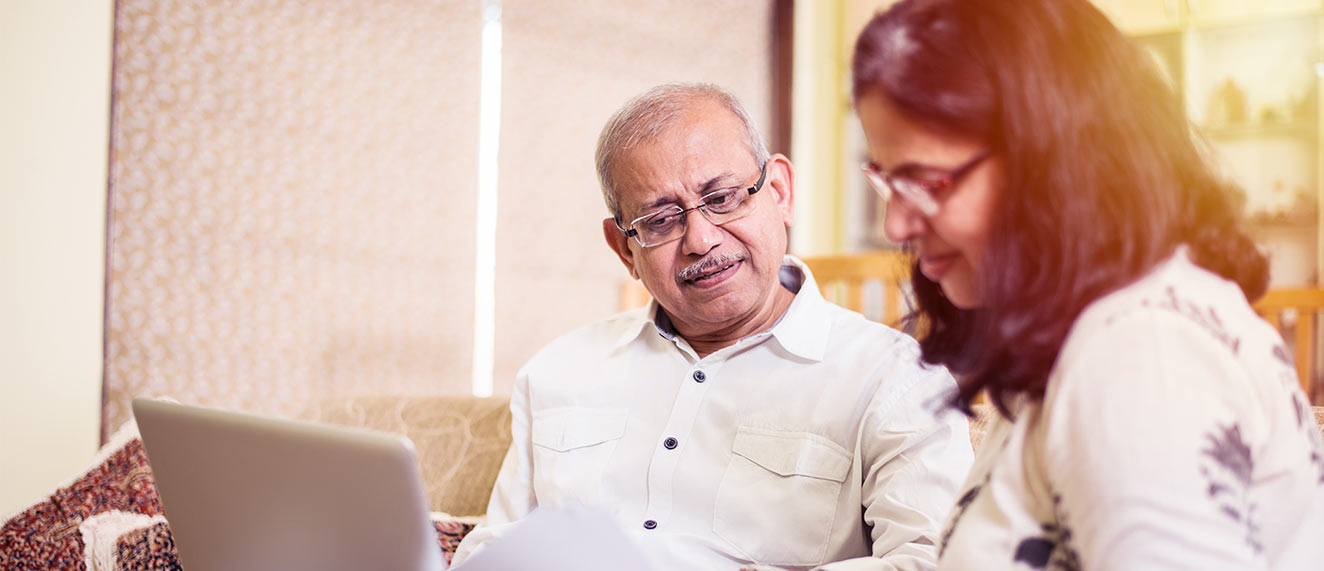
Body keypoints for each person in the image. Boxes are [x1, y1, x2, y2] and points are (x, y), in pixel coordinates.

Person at [849, 1, 1324, 569]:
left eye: (924, 181)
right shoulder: (1096, 329)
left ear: (1055, 159)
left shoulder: (1140, 357)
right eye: (886, 180)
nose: (894, 225)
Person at [452, 83, 974, 570]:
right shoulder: (558, 371)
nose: (700, 239)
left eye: (722, 198)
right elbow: (495, 547)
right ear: (624, 249)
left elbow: (934, 562)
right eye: (661, 220)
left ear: (781, 192)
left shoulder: (896, 377)